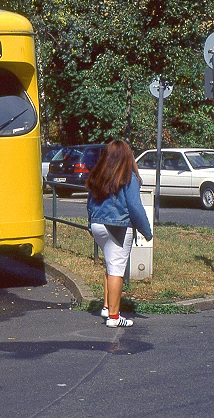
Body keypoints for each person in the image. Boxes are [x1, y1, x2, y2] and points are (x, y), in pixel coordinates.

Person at [86, 139, 153, 327]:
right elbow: (135, 208)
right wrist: (147, 232)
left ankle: (107, 307)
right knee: (117, 269)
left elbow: (90, 203)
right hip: (118, 227)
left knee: (110, 265)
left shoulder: (99, 175)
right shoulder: (129, 177)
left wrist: (91, 225)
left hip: (98, 225)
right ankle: (114, 317)